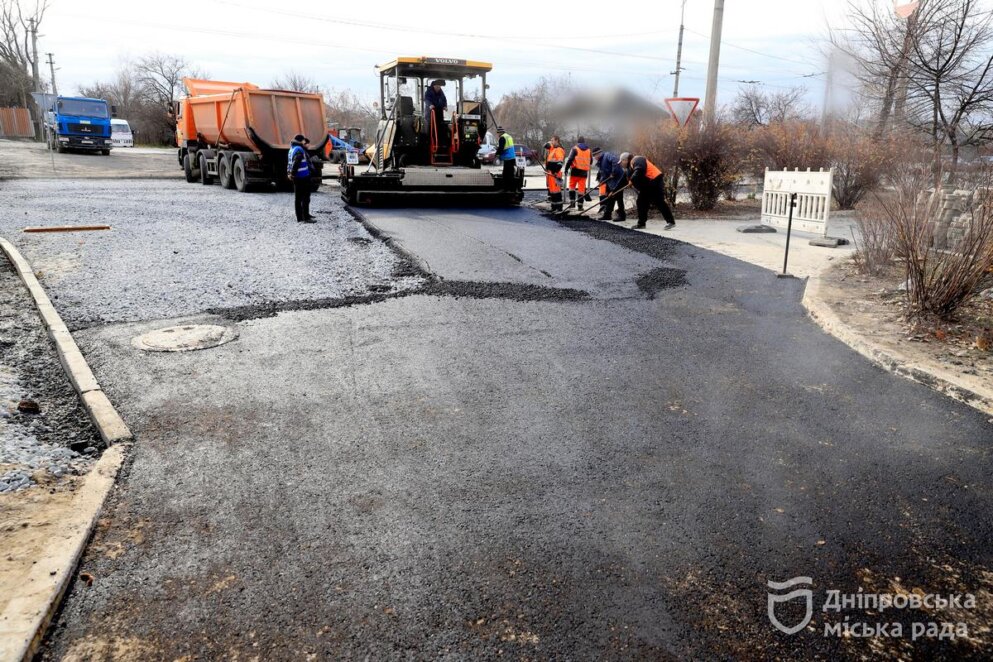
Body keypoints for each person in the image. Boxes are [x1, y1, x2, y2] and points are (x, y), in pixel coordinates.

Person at [620, 152, 675, 230]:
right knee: (641, 202)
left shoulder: (637, 159)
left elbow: (640, 169)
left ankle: (671, 222)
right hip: (648, 184)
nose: (621, 164)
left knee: (659, 201)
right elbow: (623, 180)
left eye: (621, 162)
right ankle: (641, 224)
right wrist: (613, 191)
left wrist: (632, 180)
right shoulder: (629, 168)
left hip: (655, 180)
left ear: (625, 160)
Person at [592, 147, 626, 222]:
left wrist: (613, 172)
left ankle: (622, 216)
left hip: (619, 180)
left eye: (595, 155)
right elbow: (604, 174)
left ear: (599, 153)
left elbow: (615, 161)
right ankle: (607, 215)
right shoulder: (600, 162)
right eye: (594, 156)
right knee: (610, 197)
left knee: (619, 197)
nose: (594, 157)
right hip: (611, 182)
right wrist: (602, 182)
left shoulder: (607, 156)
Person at [288, 134, 315, 223]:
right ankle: (306, 218)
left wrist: (290, 173)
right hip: (302, 176)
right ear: (301, 141)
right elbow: (297, 161)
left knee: (298, 198)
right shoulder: (299, 149)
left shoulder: (292, 149)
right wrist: (293, 173)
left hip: (297, 177)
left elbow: (289, 163)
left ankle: (299, 218)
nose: (305, 142)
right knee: (305, 198)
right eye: (303, 140)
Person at [564, 136, 592, 211]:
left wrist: (566, 169)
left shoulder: (575, 148)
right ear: (584, 142)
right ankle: (580, 206)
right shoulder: (588, 150)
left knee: (572, 187)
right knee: (581, 190)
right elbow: (591, 161)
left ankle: (572, 203)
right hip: (584, 173)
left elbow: (570, 159)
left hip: (575, 172)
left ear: (578, 142)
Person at [543, 135, 566, 212]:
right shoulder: (553, 149)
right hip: (551, 173)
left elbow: (560, 163)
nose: (551, 142)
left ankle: (559, 208)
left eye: (552, 140)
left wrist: (555, 172)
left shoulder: (559, 150)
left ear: (557, 141)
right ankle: (554, 207)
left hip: (555, 174)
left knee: (556, 191)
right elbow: (547, 146)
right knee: (552, 191)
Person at [424, 79, 448, 149]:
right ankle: (429, 143)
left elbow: (444, 99)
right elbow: (426, 99)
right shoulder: (429, 91)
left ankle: (441, 143)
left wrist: (445, 106)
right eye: (437, 86)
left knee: (441, 126)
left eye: (439, 86)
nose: (438, 87)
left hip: (439, 112)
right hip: (430, 113)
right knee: (430, 127)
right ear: (434, 86)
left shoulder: (441, 92)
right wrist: (430, 105)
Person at [496, 127, 517, 192]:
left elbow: (501, 148)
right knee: (510, 174)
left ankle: (506, 189)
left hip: (507, 158)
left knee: (506, 175)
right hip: (512, 158)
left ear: (500, 132)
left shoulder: (502, 138)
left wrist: (497, 154)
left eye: (498, 133)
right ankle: (512, 189)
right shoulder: (509, 136)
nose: (497, 134)